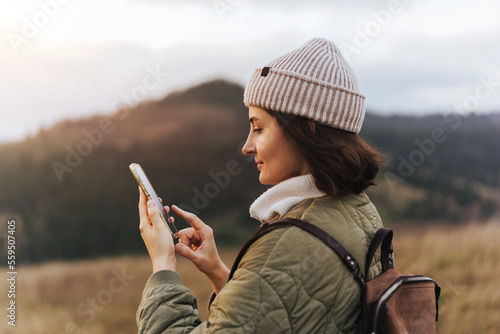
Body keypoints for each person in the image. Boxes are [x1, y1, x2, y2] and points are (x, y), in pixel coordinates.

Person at [136, 37, 384, 333]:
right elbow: (287, 313)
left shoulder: (289, 245)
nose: (247, 146)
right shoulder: (355, 210)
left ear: (307, 129)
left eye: (258, 128)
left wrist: (163, 263)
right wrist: (216, 270)